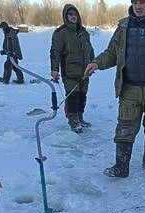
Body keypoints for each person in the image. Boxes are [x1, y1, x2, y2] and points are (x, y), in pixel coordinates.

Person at [84, 0, 145, 177]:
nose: (138, 6)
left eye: (142, 2)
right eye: (135, 2)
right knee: (125, 128)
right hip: (129, 88)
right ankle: (121, 167)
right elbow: (112, 53)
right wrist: (96, 62)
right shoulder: (123, 26)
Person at [50, 4, 95, 133]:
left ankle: (80, 117)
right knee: (73, 97)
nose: (73, 17)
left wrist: (93, 63)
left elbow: (90, 50)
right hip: (70, 72)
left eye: (75, 15)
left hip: (85, 72)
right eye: (70, 15)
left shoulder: (84, 32)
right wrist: (55, 69)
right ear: (65, 16)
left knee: (82, 96)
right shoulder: (61, 33)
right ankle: (73, 121)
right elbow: (55, 52)